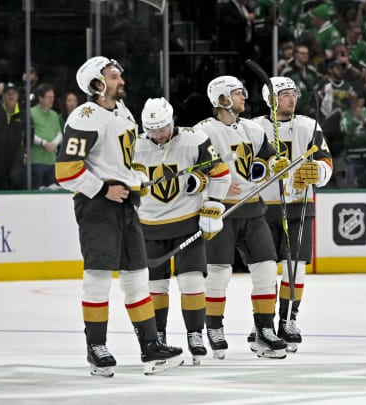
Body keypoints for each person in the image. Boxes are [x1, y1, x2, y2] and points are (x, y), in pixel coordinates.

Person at [55, 56, 183, 377]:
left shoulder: (123, 112)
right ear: (98, 86)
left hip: (125, 204)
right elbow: (65, 171)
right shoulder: (85, 116)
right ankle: (95, 347)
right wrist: (102, 189)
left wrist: (136, 181)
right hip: (98, 206)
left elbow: (126, 159)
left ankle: (150, 346)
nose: (121, 79)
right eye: (113, 76)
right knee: (97, 276)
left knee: (137, 276)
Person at [194, 75, 290, 359]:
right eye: (238, 94)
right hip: (219, 210)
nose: (244, 98)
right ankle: (213, 327)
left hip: (252, 208)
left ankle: (264, 329)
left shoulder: (252, 128)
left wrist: (277, 163)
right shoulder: (202, 132)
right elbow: (194, 171)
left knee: (266, 268)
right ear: (222, 99)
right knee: (218, 273)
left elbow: (266, 156)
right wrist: (215, 185)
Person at [133, 97, 232, 365]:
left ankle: (195, 334)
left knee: (192, 283)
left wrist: (212, 204)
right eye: (152, 130)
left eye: (163, 128)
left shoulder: (194, 139)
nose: (159, 135)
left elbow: (221, 173)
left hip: (187, 222)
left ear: (172, 120)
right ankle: (159, 336)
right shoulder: (134, 145)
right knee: (155, 287)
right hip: (148, 226)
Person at [252, 76, 333, 352]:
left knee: (294, 268)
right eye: (284, 94)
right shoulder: (255, 128)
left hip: (300, 204)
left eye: (293, 93)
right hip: (263, 208)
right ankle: (263, 322)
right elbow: (249, 166)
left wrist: (318, 172)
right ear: (270, 99)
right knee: (263, 270)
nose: (291, 98)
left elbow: (325, 161)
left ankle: (289, 319)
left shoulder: (309, 126)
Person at [0, 82, 24, 190]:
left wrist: (24, 153)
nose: (11, 96)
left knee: (15, 180)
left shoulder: (23, 114)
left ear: (17, 96)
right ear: (3, 96)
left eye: (13, 93)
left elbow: (29, 136)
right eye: (8, 93)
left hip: (16, 158)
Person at [29, 83, 62, 189]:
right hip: (36, 161)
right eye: (49, 97)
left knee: (52, 191)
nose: (52, 100)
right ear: (40, 98)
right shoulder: (31, 113)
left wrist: (54, 144)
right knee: (36, 192)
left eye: (53, 97)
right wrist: (44, 143)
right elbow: (29, 134)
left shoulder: (54, 114)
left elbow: (59, 133)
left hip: (51, 160)